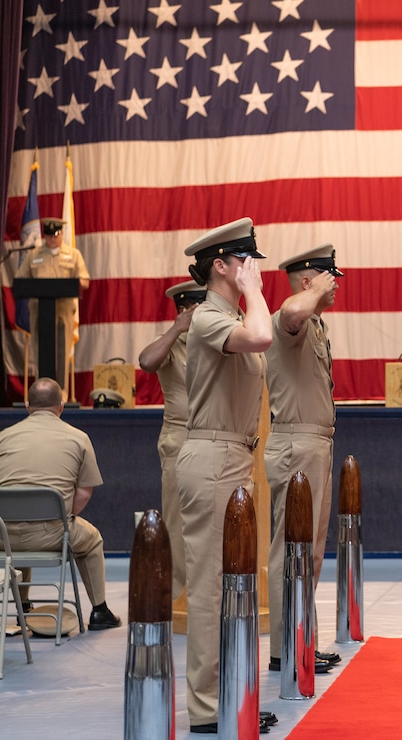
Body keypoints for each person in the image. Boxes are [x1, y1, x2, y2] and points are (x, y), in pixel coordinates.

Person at [175, 218, 272, 735]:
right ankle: (208, 709)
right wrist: (253, 292)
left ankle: (233, 694)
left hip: (234, 459)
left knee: (236, 586)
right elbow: (261, 335)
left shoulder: (228, 315)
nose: (253, 270)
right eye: (244, 261)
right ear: (221, 266)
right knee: (212, 590)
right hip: (212, 459)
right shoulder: (210, 316)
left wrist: (250, 292)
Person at [0, 377, 121, 630]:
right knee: (93, 540)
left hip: (2, 536)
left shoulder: (3, 437)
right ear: (61, 406)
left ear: (27, 406)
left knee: (19, 520)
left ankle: (23, 607)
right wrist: (61, 520)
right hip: (52, 533)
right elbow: (85, 493)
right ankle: (100, 611)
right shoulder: (78, 438)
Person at [265, 245, 343, 674]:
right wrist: (313, 294)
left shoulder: (315, 323)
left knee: (308, 552)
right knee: (290, 549)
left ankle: (300, 640)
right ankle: (284, 649)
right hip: (296, 445)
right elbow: (291, 312)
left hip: (315, 444)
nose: (335, 287)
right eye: (329, 278)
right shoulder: (292, 318)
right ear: (309, 281)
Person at [138, 280, 207, 601]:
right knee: (178, 525)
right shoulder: (171, 344)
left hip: (213, 439)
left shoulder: (216, 339)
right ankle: (180, 598)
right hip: (179, 439)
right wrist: (177, 329)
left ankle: (208, 595)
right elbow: (146, 361)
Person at [14, 217, 90, 391]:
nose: (52, 239)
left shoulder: (73, 255)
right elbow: (20, 280)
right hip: (39, 310)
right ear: (45, 235)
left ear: (61, 234)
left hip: (63, 310)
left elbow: (85, 281)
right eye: (49, 235)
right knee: (39, 350)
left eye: (55, 235)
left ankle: (60, 393)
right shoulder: (34, 255)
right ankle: (40, 392)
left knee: (62, 352)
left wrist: (72, 284)